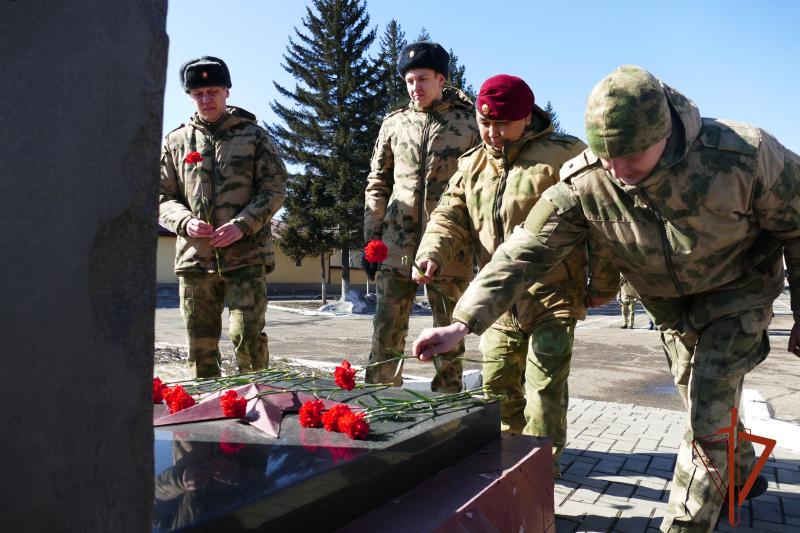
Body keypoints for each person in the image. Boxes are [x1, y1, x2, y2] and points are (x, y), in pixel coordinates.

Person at [413, 65, 800, 532]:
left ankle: (687, 523)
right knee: (699, 397)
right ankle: (736, 468)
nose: (618, 170)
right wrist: (464, 322)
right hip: (672, 310)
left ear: (666, 133)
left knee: (706, 406)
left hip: (739, 294)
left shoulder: (743, 156)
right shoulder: (588, 179)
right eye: (607, 155)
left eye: (631, 155)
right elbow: (526, 248)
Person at [412, 74, 617, 472]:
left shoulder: (565, 155)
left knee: (544, 392)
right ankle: (509, 465)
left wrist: (604, 283)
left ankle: (541, 471)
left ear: (527, 118)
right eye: (484, 123)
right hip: (498, 302)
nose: (492, 133)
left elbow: (603, 223)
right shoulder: (472, 164)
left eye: (502, 124)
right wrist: (431, 252)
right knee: (499, 388)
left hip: (554, 296)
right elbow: (448, 216)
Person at [160, 56, 287, 378]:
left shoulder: (253, 136)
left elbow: (275, 188)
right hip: (195, 259)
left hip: (246, 257)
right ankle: (204, 410)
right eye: (198, 94)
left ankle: (258, 401)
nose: (206, 99)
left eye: (213, 91)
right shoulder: (175, 142)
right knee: (199, 345)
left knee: (246, 338)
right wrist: (183, 220)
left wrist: (243, 225)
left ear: (227, 91)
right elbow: (160, 196)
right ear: (190, 96)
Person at [362, 42, 480, 392]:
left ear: (441, 79)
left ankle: (447, 407)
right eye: (410, 81)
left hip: (449, 249)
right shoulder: (394, 124)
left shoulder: (468, 122)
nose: (416, 88)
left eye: (423, 79)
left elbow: (480, 184)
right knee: (386, 332)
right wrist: (372, 237)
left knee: (448, 337)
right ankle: (380, 402)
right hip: (396, 248)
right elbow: (378, 181)